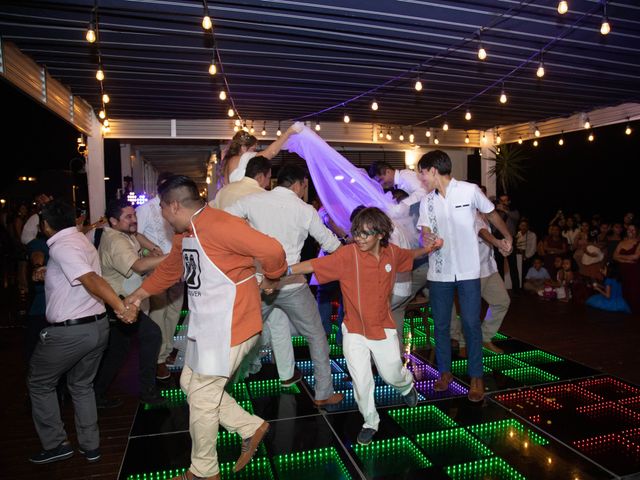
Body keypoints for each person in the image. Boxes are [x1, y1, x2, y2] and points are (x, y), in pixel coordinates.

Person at [125, 175, 287, 480]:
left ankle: (203, 471)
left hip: (232, 323)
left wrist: (273, 277)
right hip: (207, 324)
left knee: (201, 395)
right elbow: (171, 270)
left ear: (173, 205)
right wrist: (137, 296)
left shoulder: (220, 224)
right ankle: (250, 427)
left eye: (161, 208)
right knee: (190, 383)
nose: (160, 215)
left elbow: (273, 251)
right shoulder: (184, 233)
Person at [274, 207, 441, 445]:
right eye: (357, 233)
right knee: (361, 381)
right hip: (353, 331)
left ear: (381, 234)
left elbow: (411, 255)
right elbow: (313, 265)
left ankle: (406, 386)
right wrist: (286, 270)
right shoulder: (348, 255)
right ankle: (370, 422)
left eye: (365, 234)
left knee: (392, 373)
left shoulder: (392, 254)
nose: (359, 238)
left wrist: (430, 248)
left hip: (382, 328)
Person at [27, 199, 137, 464]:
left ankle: (55, 444)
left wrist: (120, 308)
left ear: (45, 225)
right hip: (96, 328)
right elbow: (76, 277)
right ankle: (91, 446)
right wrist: (48, 272)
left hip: (71, 333)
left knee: (39, 382)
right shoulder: (79, 240)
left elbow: (90, 279)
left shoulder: (63, 246)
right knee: (81, 385)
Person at [226, 165, 344, 406]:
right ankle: (323, 393)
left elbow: (224, 219)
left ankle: (221, 388)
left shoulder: (253, 200)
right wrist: (349, 253)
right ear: (300, 184)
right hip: (292, 284)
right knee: (316, 336)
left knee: (241, 336)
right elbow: (330, 244)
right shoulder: (304, 209)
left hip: (260, 283)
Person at [416, 150, 512, 403]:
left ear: (434, 170)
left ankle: (476, 377)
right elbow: (423, 232)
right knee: (442, 325)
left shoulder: (469, 191)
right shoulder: (428, 202)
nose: (421, 178)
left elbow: (491, 214)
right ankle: (444, 372)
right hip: (439, 272)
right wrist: (426, 239)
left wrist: (505, 237)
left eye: (423, 173)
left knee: (470, 323)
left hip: (470, 270)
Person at [93, 199, 168, 406]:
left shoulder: (123, 234)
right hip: (118, 303)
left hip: (122, 301)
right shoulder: (116, 241)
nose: (134, 220)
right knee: (152, 335)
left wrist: (149, 249)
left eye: (134, 215)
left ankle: (97, 393)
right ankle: (147, 391)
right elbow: (137, 266)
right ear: (113, 221)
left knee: (118, 350)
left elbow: (138, 241)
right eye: (128, 217)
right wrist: (170, 257)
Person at [136, 172, 185, 379]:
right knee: (158, 313)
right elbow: (135, 234)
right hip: (157, 268)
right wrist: (151, 248)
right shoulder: (146, 209)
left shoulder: (177, 207)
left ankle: (166, 350)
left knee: (174, 312)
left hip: (178, 266)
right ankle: (157, 359)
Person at [451, 211, 511, 356]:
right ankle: (463, 343)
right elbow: (481, 231)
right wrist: (497, 242)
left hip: (489, 269)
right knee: (470, 310)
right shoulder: (469, 216)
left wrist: (504, 245)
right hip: (472, 272)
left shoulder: (487, 218)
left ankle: (485, 336)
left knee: (502, 302)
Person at [221, 125, 301, 184]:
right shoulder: (243, 158)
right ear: (243, 148)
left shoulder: (228, 162)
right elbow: (270, 153)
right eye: (253, 149)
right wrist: (288, 133)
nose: (254, 152)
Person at [494, 194, 520, 291]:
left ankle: (516, 289)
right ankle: (501, 289)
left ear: (509, 201)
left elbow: (516, 217)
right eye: (501, 201)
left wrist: (505, 210)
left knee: (513, 265)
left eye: (505, 200)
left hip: (510, 239)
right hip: (498, 239)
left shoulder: (513, 211)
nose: (503, 203)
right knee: (499, 265)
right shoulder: (496, 213)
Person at [613, 224, 640, 313]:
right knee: (625, 292)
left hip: (635, 272)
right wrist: (626, 261)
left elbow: (636, 256)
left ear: (637, 231)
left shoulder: (639, 242)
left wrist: (620, 257)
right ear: (626, 230)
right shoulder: (621, 243)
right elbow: (614, 256)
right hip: (623, 272)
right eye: (629, 229)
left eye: (633, 230)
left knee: (634, 293)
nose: (631, 231)